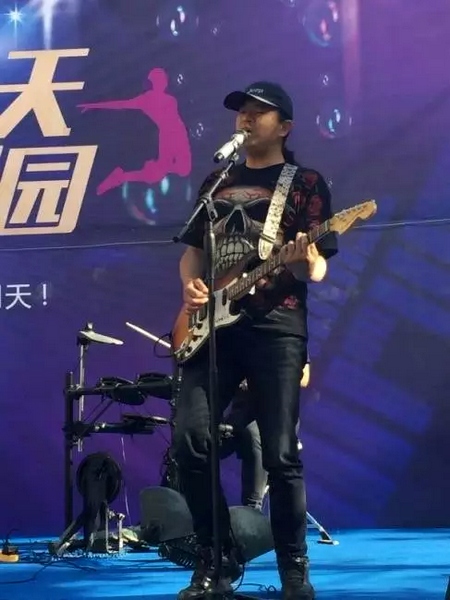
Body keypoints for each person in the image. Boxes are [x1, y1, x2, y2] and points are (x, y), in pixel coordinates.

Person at [172, 81, 338, 600]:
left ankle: (294, 570)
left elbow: (318, 267)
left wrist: (306, 258)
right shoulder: (217, 181)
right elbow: (192, 252)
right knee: (190, 441)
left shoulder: (305, 182)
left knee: (281, 454)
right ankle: (214, 559)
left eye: (258, 113)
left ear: (284, 127)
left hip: (275, 328)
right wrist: (191, 285)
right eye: (241, 111)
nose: (245, 119)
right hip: (212, 332)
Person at [221, 355, 311, 511]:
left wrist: (264, 379)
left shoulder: (289, 344)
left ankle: (252, 508)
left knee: (255, 439)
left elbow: (304, 378)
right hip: (239, 415)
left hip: (271, 417)